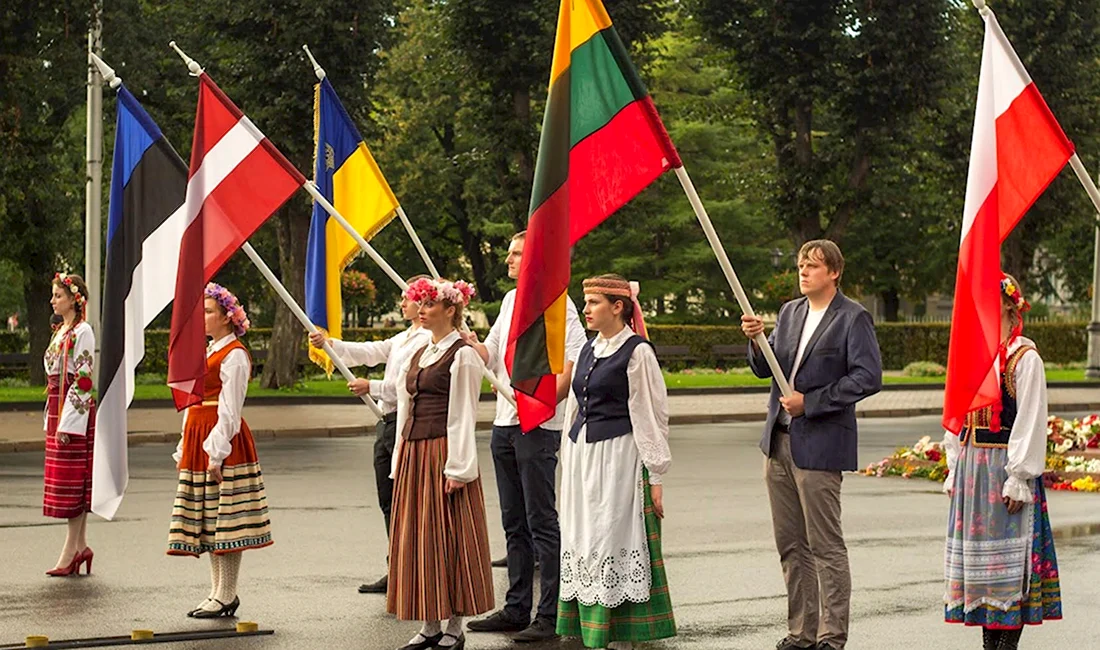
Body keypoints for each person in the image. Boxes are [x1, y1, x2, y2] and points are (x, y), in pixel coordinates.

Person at [740, 240, 882, 650]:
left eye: (813, 266)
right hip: (778, 443)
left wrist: (812, 403)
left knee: (825, 546)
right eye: (801, 265)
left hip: (820, 447)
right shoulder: (789, 312)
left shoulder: (853, 318)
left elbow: (868, 378)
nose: (803, 272)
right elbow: (766, 369)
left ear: (834, 272)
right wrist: (756, 341)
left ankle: (831, 637)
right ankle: (802, 632)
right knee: (791, 545)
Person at [464, 230, 588, 643]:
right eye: (510, 253)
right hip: (503, 423)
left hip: (538, 426)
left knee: (541, 521)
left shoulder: (560, 306)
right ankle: (517, 607)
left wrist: (540, 402)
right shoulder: (509, 301)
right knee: (513, 521)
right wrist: (467, 342)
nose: (509, 260)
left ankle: (549, 614)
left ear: (536, 259)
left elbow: (572, 368)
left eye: (517, 253)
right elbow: (490, 350)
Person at [942, 274, 1062, 650]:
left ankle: (1005, 647)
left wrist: (1019, 478)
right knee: (984, 574)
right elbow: (958, 415)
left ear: (1011, 307)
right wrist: (954, 463)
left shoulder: (1024, 359)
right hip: (974, 470)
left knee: (1008, 571)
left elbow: (1029, 419)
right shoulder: (974, 356)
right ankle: (989, 644)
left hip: (1004, 470)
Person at [556, 274, 675, 650]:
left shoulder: (637, 351)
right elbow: (575, 408)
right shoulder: (591, 348)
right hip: (584, 456)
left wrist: (655, 474)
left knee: (612, 537)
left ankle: (623, 633)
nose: (586, 309)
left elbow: (652, 415)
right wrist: (568, 455)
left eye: (593, 303)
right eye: (586, 302)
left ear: (618, 307)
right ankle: (595, 629)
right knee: (585, 539)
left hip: (618, 456)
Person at [388, 277, 494, 650]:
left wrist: (459, 467)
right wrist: (400, 457)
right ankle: (430, 624)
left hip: (444, 451)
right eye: (420, 303)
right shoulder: (419, 353)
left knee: (449, 537)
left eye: (430, 304)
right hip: (417, 452)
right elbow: (405, 407)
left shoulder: (462, 354)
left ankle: (454, 625)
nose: (422, 309)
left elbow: (464, 412)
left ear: (451, 310)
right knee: (421, 539)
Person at [309, 276, 432, 595]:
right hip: (387, 422)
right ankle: (396, 565)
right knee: (387, 498)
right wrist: (331, 345)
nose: (401, 303)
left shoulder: (427, 340)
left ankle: (410, 569)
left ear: (422, 302)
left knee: (404, 499)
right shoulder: (405, 337)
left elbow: (413, 383)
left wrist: (372, 387)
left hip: (406, 422)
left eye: (407, 298)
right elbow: (372, 351)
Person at [167, 283, 272, 618]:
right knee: (209, 519)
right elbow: (192, 404)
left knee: (226, 520)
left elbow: (229, 408)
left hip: (221, 439)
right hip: (200, 434)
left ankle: (227, 593)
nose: (202, 318)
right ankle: (217, 591)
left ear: (228, 317)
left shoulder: (235, 354)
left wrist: (217, 452)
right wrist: (185, 445)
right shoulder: (209, 352)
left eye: (208, 311)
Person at [43, 273, 96, 577]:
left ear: (75, 299)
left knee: (73, 482)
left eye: (58, 296)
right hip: (58, 408)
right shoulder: (60, 331)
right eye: (53, 295)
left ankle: (70, 551)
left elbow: (84, 379)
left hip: (73, 411)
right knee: (73, 481)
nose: (53, 301)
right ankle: (80, 546)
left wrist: (70, 422)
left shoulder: (83, 331)